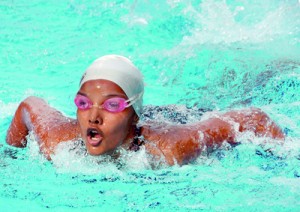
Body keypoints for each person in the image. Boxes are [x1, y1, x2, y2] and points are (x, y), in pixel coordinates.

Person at [6, 55, 285, 166]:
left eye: (111, 105)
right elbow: (28, 107)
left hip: (180, 117)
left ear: (133, 114)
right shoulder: (58, 141)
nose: (93, 116)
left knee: (232, 94)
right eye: (83, 103)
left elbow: (254, 119)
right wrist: (10, 155)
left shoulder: (170, 147)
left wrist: (287, 154)